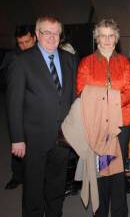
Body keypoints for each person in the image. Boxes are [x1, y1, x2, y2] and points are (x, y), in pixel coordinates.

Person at [6, 16, 77, 216]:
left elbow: (73, 99)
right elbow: (13, 103)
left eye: (56, 33)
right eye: (47, 32)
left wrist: (75, 132)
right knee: (33, 190)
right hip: (33, 138)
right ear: (37, 34)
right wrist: (17, 139)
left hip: (63, 138)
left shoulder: (70, 59)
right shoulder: (21, 61)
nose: (52, 37)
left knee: (56, 187)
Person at [76, 19, 130, 217]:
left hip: (121, 123)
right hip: (97, 124)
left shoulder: (124, 62)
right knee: (102, 170)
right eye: (103, 35)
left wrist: (111, 101)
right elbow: (81, 91)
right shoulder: (87, 62)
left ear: (116, 38)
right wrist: (105, 101)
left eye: (111, 35)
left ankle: (120, 213)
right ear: (97, 38)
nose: (107, 40)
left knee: (118, 170)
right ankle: (100, 212)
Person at [1, 25, 36, 190]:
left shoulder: (41, 55)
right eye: (20, 43)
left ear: (34, 38)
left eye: (27, 42)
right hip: (17, 106)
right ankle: (17, 176)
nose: (24, 46)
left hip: (35, 108)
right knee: (18, 141)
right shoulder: (12, 56)